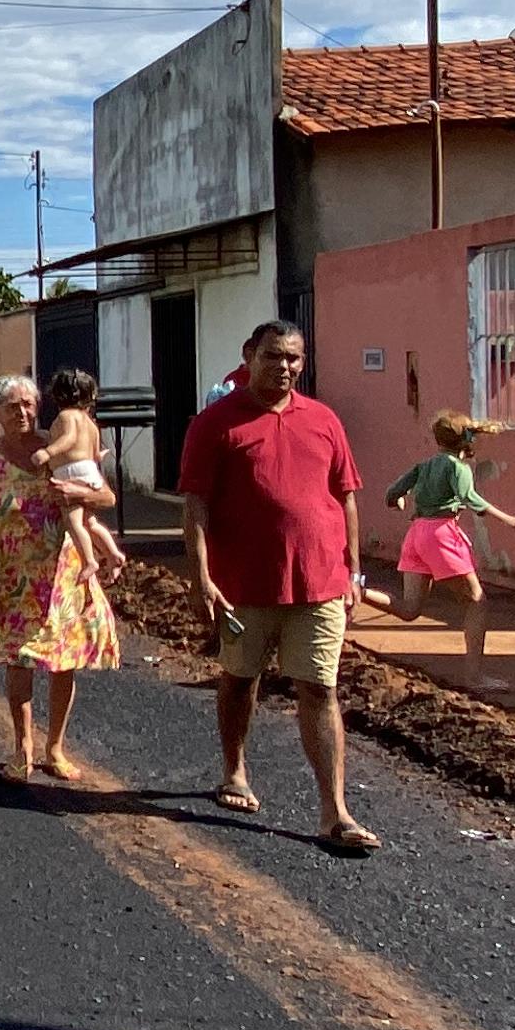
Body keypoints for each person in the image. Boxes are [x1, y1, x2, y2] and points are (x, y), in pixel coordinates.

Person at [179, 320, 378, 855]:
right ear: (249, 356)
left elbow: (347, 496)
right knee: (241, 678)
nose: (285, 366)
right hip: (243, 584)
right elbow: (195, 505)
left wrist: (354, 571)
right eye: (273, 356)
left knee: (319, 688)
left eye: (294, 357)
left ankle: (334, 813)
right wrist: (201, 577)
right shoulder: (214, 425)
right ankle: (234, 770)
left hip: (320, 583)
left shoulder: (324, 420)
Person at [0, 371, 123, 783]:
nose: (22, 412)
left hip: (67, 573)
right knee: (19, 661)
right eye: (12, 406)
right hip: (15, 576)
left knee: (65, 663)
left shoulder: (59, 445)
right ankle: (21, 749)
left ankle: (55, 748)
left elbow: (106, 495)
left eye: (28, 404)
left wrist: (81, 496)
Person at [362, 411, 515, 692]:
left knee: (409, 609)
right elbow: (469, 497)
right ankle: (475, 676)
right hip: (441, 535)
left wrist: (400, 502)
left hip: (416, 534)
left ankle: (356, 591)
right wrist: (507, 518)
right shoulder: (457, 467)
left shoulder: (424, 465)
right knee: (476, 601)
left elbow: (392, 493)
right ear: (466, 440)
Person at [34, 366, 130, 581]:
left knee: (73, 522)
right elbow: (96, 453)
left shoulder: (67, 416)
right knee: (91, 523)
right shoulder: (91, 424)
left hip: (71, 472)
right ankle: (113, 553)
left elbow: (68, 439)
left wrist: (47, 452)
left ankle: (89, 561)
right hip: (89, 470)